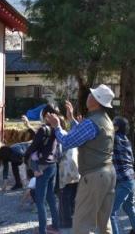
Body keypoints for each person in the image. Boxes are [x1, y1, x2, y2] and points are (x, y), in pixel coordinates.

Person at [46, 84, 116, 234]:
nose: (88, 96)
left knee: (82, 224)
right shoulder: (105, 120)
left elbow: (67, 141)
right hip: (108, 173)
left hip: (94, 176)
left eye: (92, 95)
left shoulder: (92, 122)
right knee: (104, 223)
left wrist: (57, 126)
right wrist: (71, 119)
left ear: (96, 101)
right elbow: (86, 134)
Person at [25, 104, 60, 234]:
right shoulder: (57, 128)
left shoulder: (43, 129)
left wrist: (26, 156)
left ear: (46, 115)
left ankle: (42, 231)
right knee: (51, 197)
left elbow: (33, 146)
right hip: (53, 165)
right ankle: (56, 225)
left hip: (42, 167)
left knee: (40, 201)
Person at [110, 116, 135, 234]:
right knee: (128, 207)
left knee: (111, 212)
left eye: (112, 124)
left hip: (124, 180)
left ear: (117, 127)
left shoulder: (115, 139)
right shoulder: (126, 140)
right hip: (131, 178)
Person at [57, 101, 80, 231]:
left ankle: (65, 222)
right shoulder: (71, 133)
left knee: (64, 197)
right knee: (73, 196)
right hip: (76, 171)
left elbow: (58, 154)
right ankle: (73, 218)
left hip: (65, 172)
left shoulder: (61, 136)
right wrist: (71, 117)